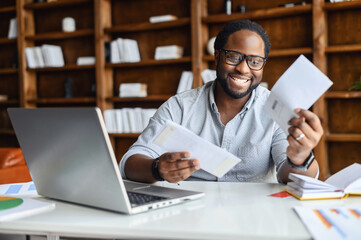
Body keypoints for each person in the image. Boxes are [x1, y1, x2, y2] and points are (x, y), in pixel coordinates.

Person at [119, 19, 323, 184]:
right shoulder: (180, 106)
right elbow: (130, 162)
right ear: (216, 57)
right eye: (233, 57)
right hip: (190, 216)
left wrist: (301, 157)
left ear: (263, 65)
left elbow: (288, 177)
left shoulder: (275, 109)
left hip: (253, 218)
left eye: (254, 61)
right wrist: (157, 168)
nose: (243, 69)